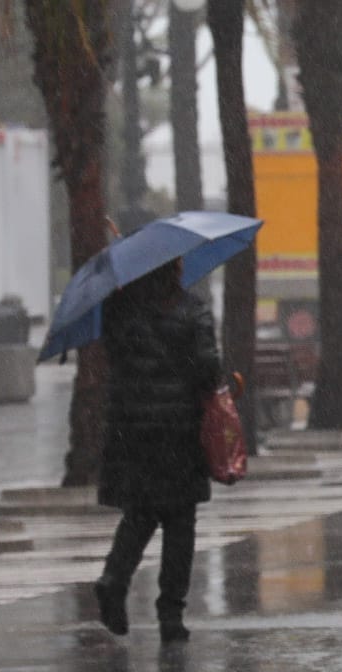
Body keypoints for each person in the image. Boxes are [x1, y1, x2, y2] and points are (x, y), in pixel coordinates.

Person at [93, 256, 222, 643]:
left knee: (140, 515)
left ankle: (114, 579)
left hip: (131, 430)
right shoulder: (192, 309)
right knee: (180, 524)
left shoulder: (119, 310)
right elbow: (207, 369)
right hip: (179, 430)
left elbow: (112, 358)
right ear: (177, 269)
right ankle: (170, 613)